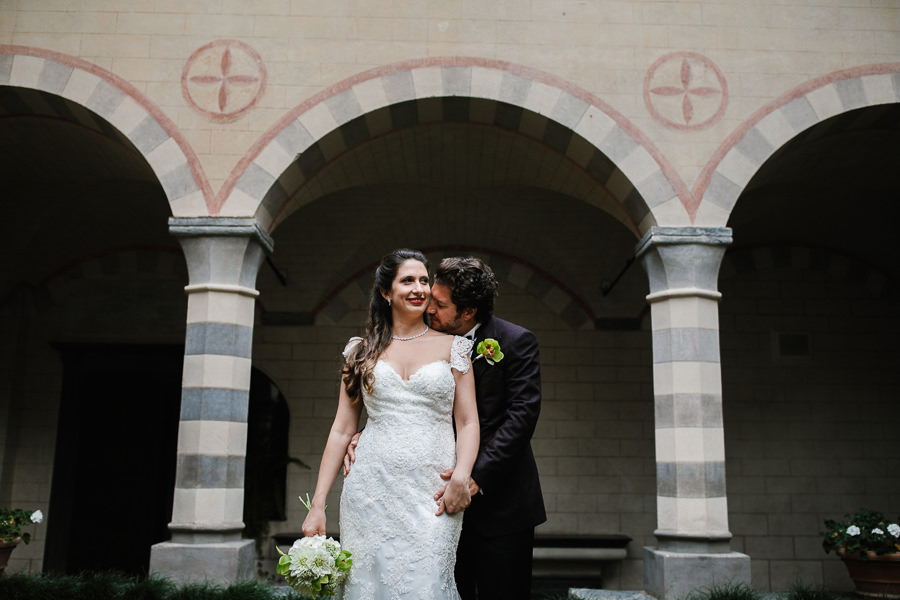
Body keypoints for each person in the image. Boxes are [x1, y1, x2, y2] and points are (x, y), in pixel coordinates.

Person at [346, 256, 546, 599]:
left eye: (438, 304)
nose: (428, 308)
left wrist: (472, 478)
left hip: (500, 503)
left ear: (467, 312)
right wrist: (370, 434)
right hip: (431, 503)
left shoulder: (516, 341)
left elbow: (522, 417)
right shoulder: (426, 339)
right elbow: (409, 401)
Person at [301, 249, 480, 600]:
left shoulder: (455, 347)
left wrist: (462, 475)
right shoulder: (360, 352)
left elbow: (469, 420)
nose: (419, 288)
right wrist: (318, 504)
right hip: (370, 490)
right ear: (386, 292)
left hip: (432, 491)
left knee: (428, 585)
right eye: (408, 280)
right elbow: (342, 429)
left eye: (424, 280)